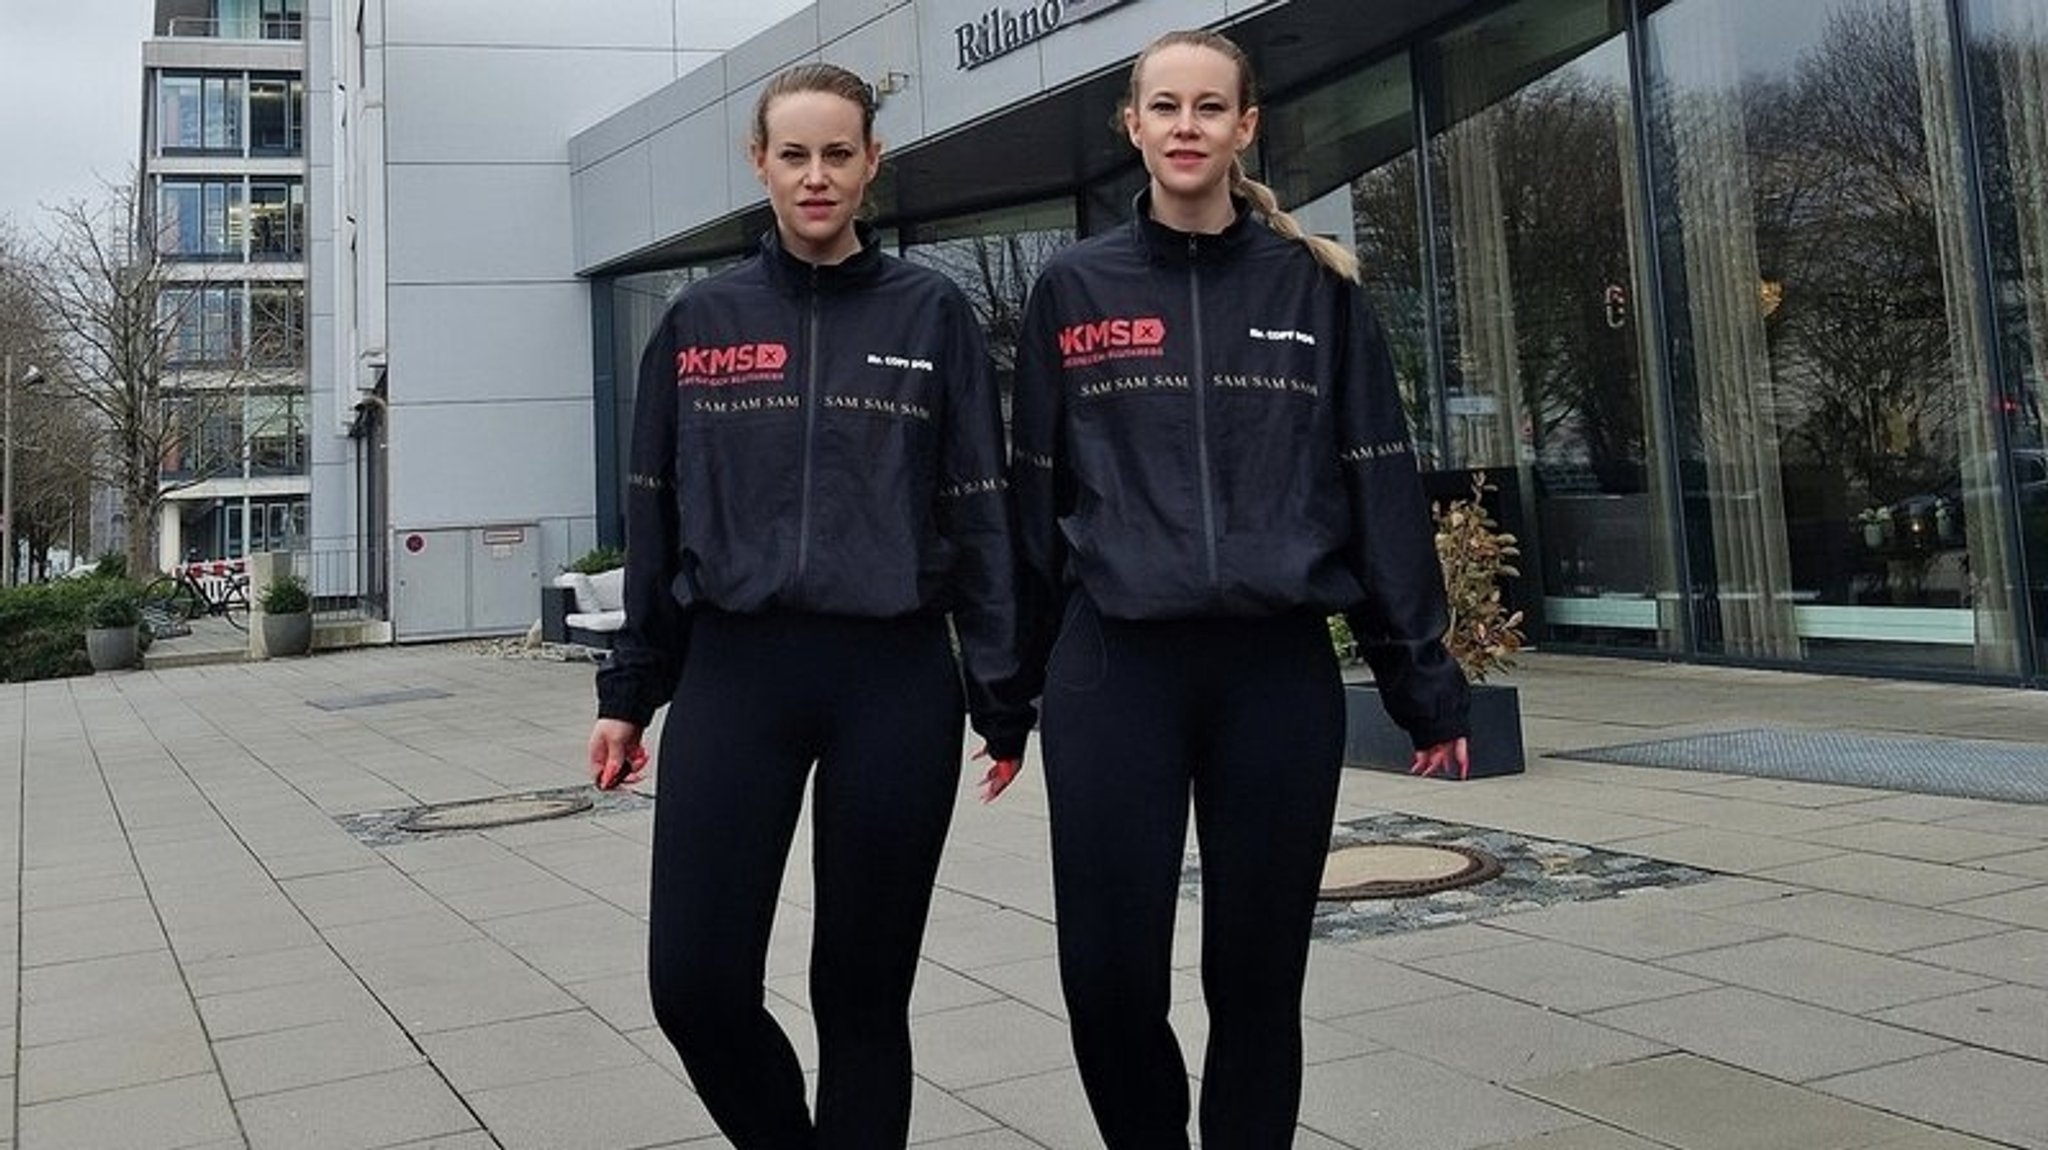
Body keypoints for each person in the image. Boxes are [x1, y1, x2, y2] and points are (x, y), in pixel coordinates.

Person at [1006, 28, 1473, 1148]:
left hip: (1273, 673)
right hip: (1114, 668)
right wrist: (1000, 688)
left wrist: (1424, 678)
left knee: (1257, 980)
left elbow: (1377, 486)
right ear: (1131, 126)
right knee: (1108, 978)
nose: (1183, 127)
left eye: (1207, 108)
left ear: (1243, 126)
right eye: (1162, 107)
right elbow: (1030, 496)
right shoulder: (1072, 288)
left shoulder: (1314, 290)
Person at [586, 62, 1031, 1149]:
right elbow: (652, 513)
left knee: (862, 998)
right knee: (691, 984)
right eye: (795, 154)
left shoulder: (931, 312)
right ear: (760, 163)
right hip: (736, 675)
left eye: (839, 154)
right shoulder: (699, 320)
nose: (817, 176)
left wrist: (1002, 692)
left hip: (892, 680)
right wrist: (629, 692)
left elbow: (979, 509)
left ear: (871, 162)